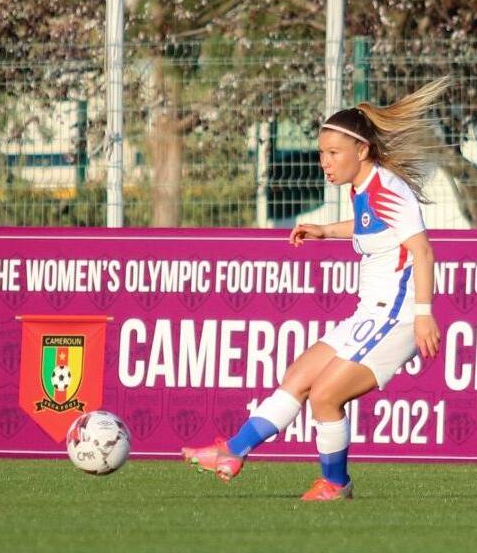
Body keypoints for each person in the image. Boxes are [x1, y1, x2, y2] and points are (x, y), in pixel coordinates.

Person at [182, 78, 448, 501]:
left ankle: (336, 484)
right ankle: (232, 452)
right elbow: (372, 231)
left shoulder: (388, 190)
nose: (324, 161)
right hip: (369, 313)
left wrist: (423, 314)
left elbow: (423, 251)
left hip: (394, 318)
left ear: (362, 150)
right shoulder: (364, 189)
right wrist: (326, 230)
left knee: (325, 397)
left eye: (333, 153)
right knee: (298, 377)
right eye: (322, 152)